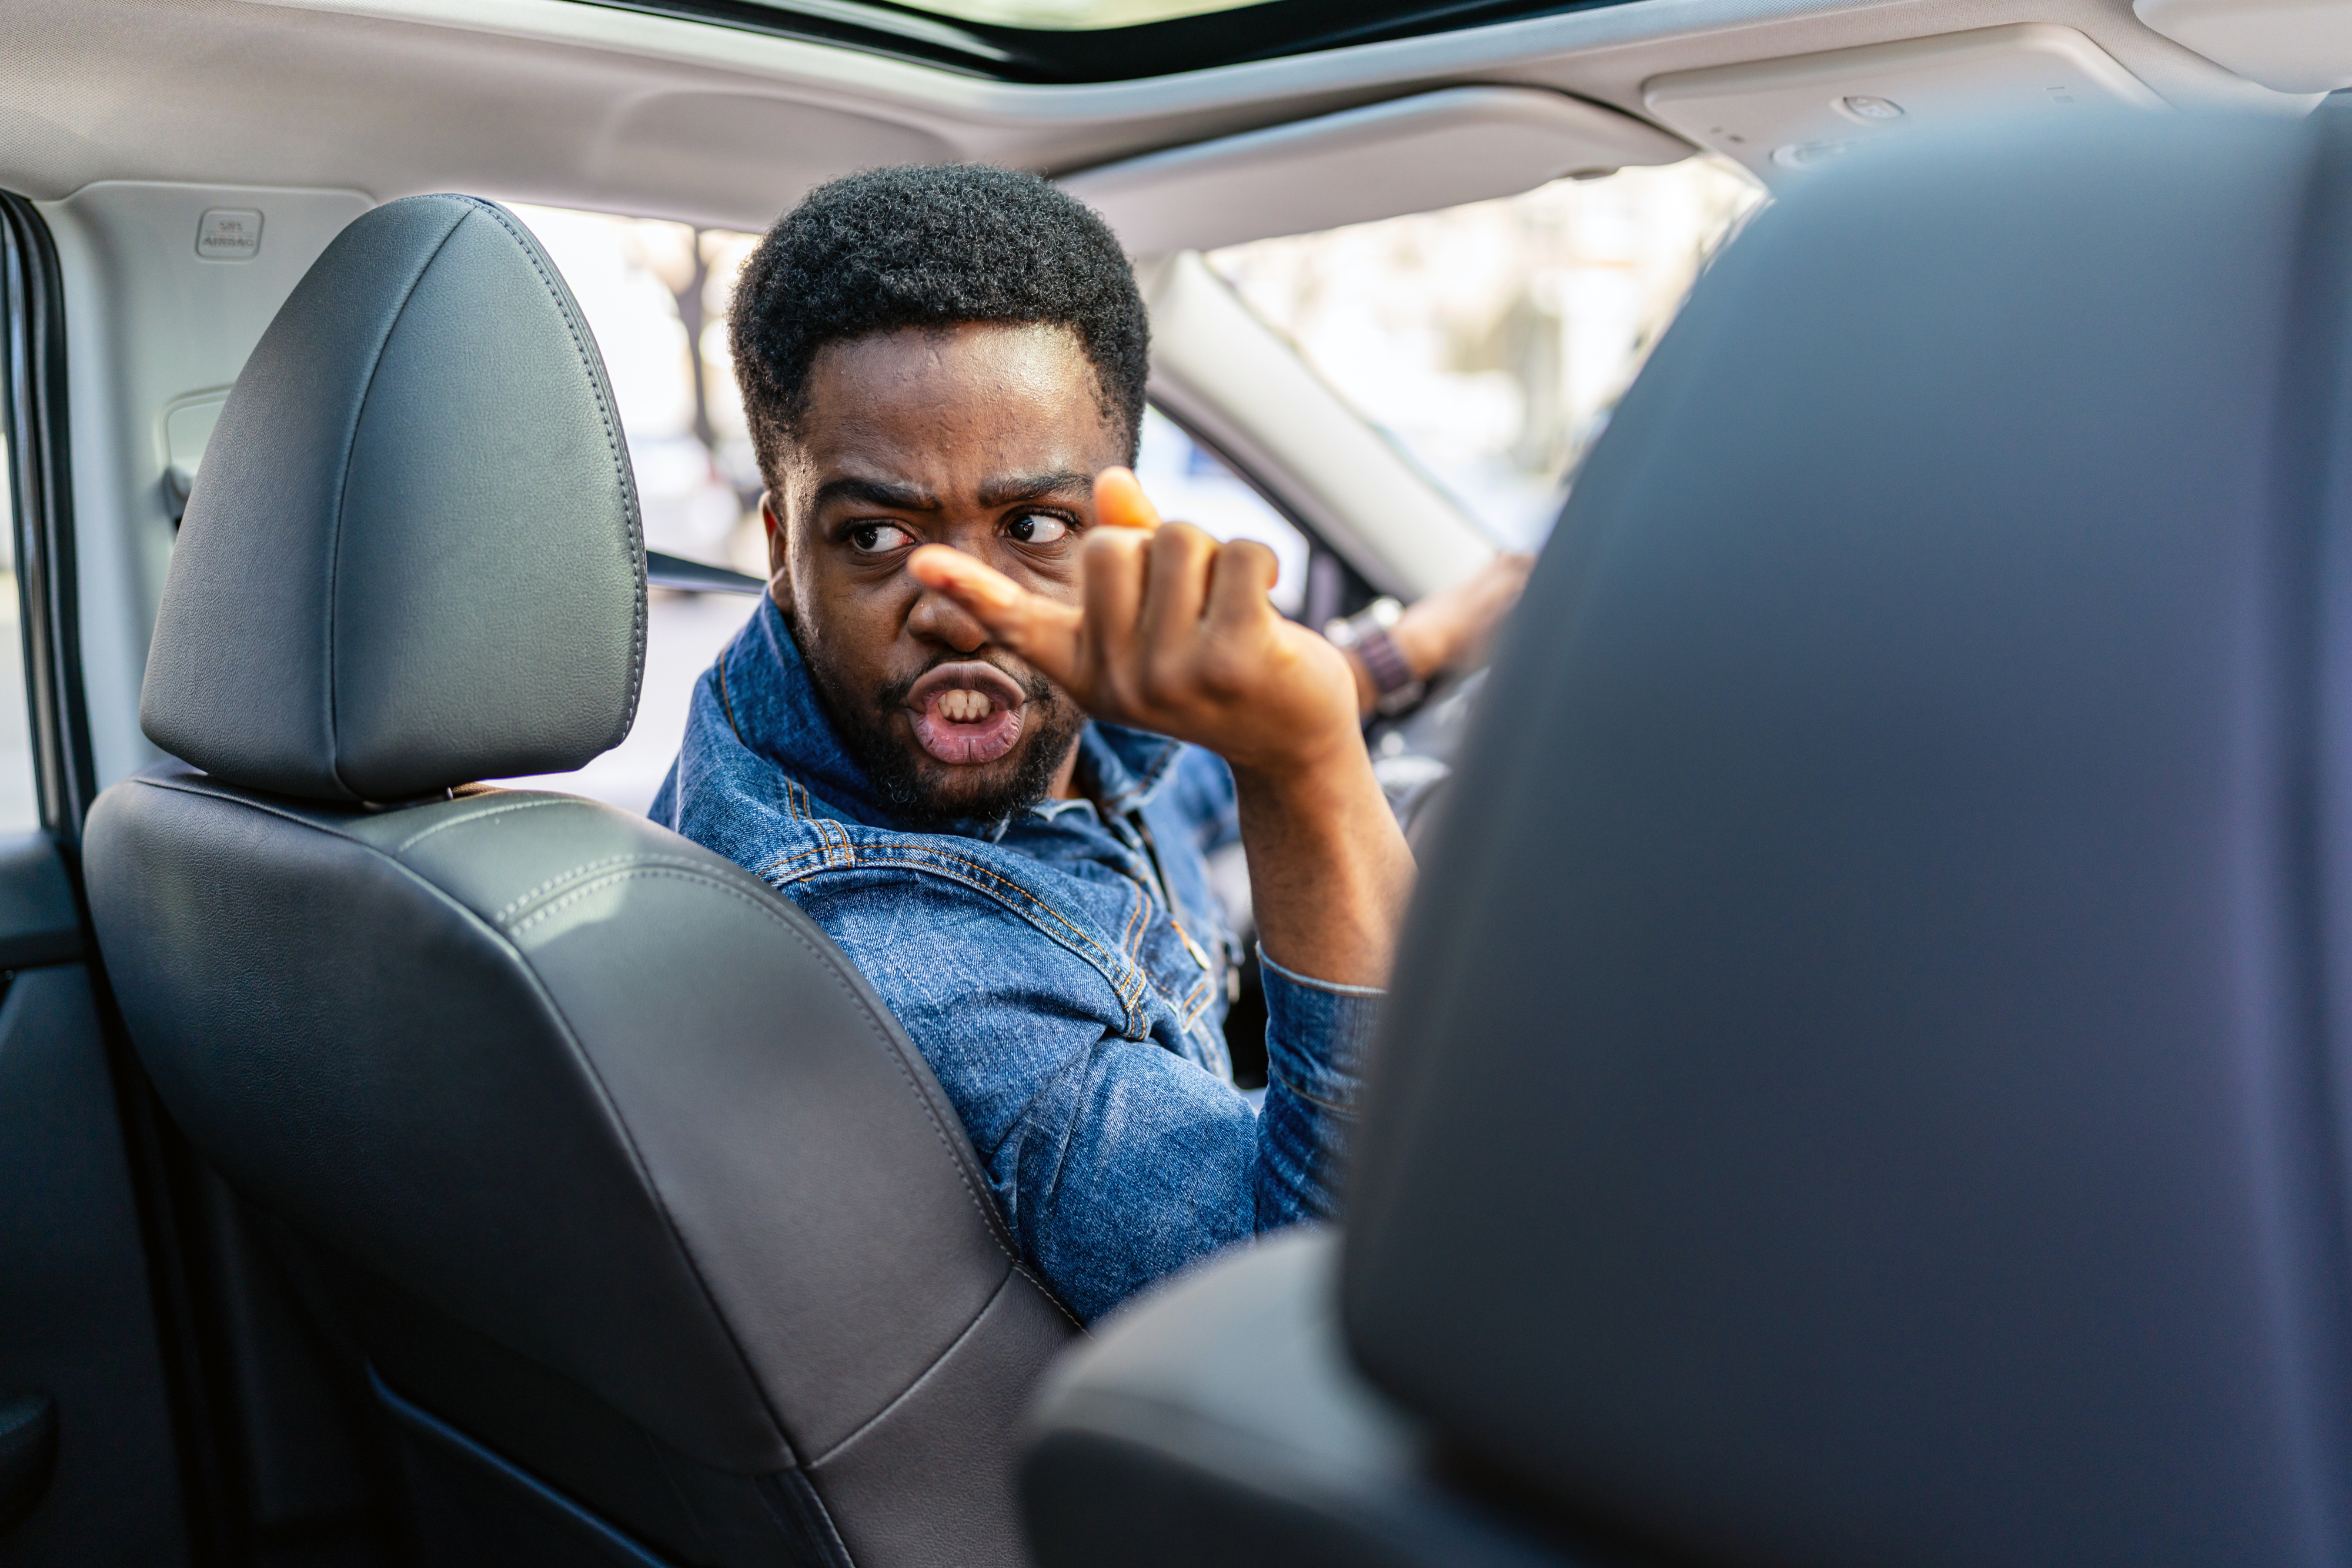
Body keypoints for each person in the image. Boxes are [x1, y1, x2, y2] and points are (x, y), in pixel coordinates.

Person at [654, 165, 1527, 1323]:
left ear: (1113, 516)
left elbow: (1170, 782)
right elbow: (1347, 1297)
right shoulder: (914, 970)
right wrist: (1303, 764)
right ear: (780, 544)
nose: (959, 606)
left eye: (1031, 525)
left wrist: (1399, 651)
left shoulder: (831, 707)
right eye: (873, 533)